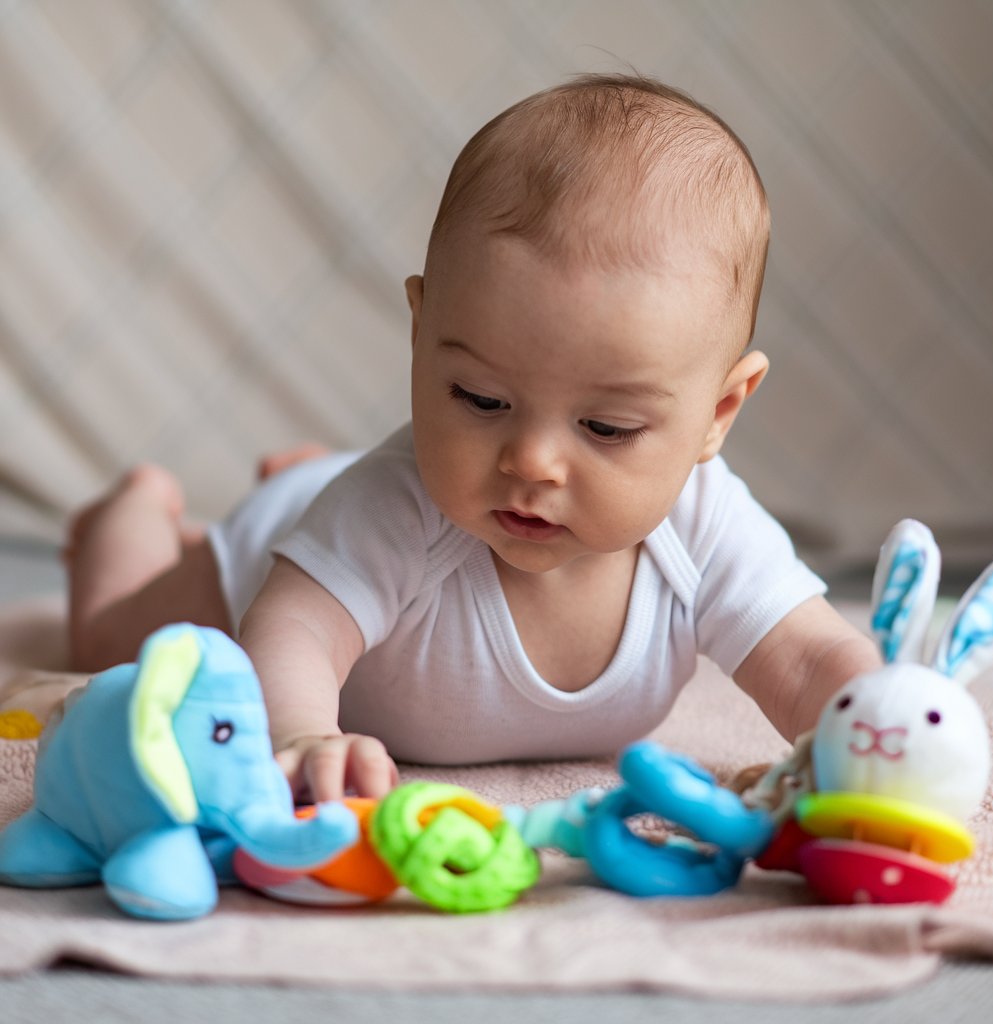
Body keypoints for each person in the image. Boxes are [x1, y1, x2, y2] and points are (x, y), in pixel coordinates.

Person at [64, 74, 881, 804]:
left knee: (346, 504)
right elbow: (296, 632)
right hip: (280, 549)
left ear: (719, 412)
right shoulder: (396, 510)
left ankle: (318, 469)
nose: (531, 461)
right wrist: (298, 733)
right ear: (422, 334)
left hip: (341, 504)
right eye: (481, 397)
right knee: (109, 644)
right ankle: (134, 511)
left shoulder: (703, 528)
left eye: (606, 426)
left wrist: (885, 737)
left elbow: (811, 661)